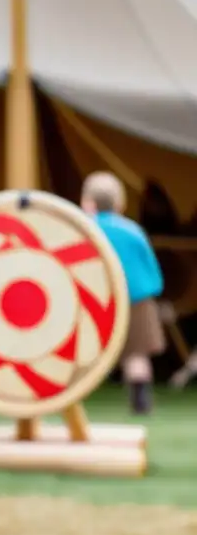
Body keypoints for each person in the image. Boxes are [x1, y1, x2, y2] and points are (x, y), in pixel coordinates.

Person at [80, 172, 166, 414]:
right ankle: (140, 400)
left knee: (84, 352)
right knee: (136, 354)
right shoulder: (133, 230)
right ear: (120, 203)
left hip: (95, 302)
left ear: (88, 203)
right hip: (137, 299)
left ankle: (76, 397)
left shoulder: (86, 230)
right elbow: (152, 270)